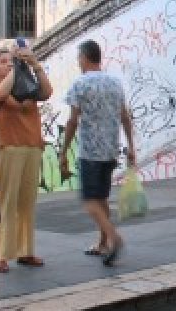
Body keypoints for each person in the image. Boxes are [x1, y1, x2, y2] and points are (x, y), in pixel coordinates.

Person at [59, 39, 136, 267]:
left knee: (90, 200)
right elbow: (125, 116)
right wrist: (131, 145)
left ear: (83, 58)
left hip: (90, 150)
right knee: (101, 197)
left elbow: (73, 121)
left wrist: (64, 151)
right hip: (110, 148)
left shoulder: (80, 84)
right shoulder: (115, 82)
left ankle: (113, 237)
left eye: (78, 59)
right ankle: (102, 243)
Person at [0, 38, 53, 273]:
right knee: (5, 201)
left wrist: (34, 64)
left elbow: (46, 91)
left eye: (9, 61)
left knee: (26, 202)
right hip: (7, 147)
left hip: (31, 146)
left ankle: (26, 251)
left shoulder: (26, 84)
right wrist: (16, 67)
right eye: (3, 62)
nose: (7, 65)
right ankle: (0, 254)